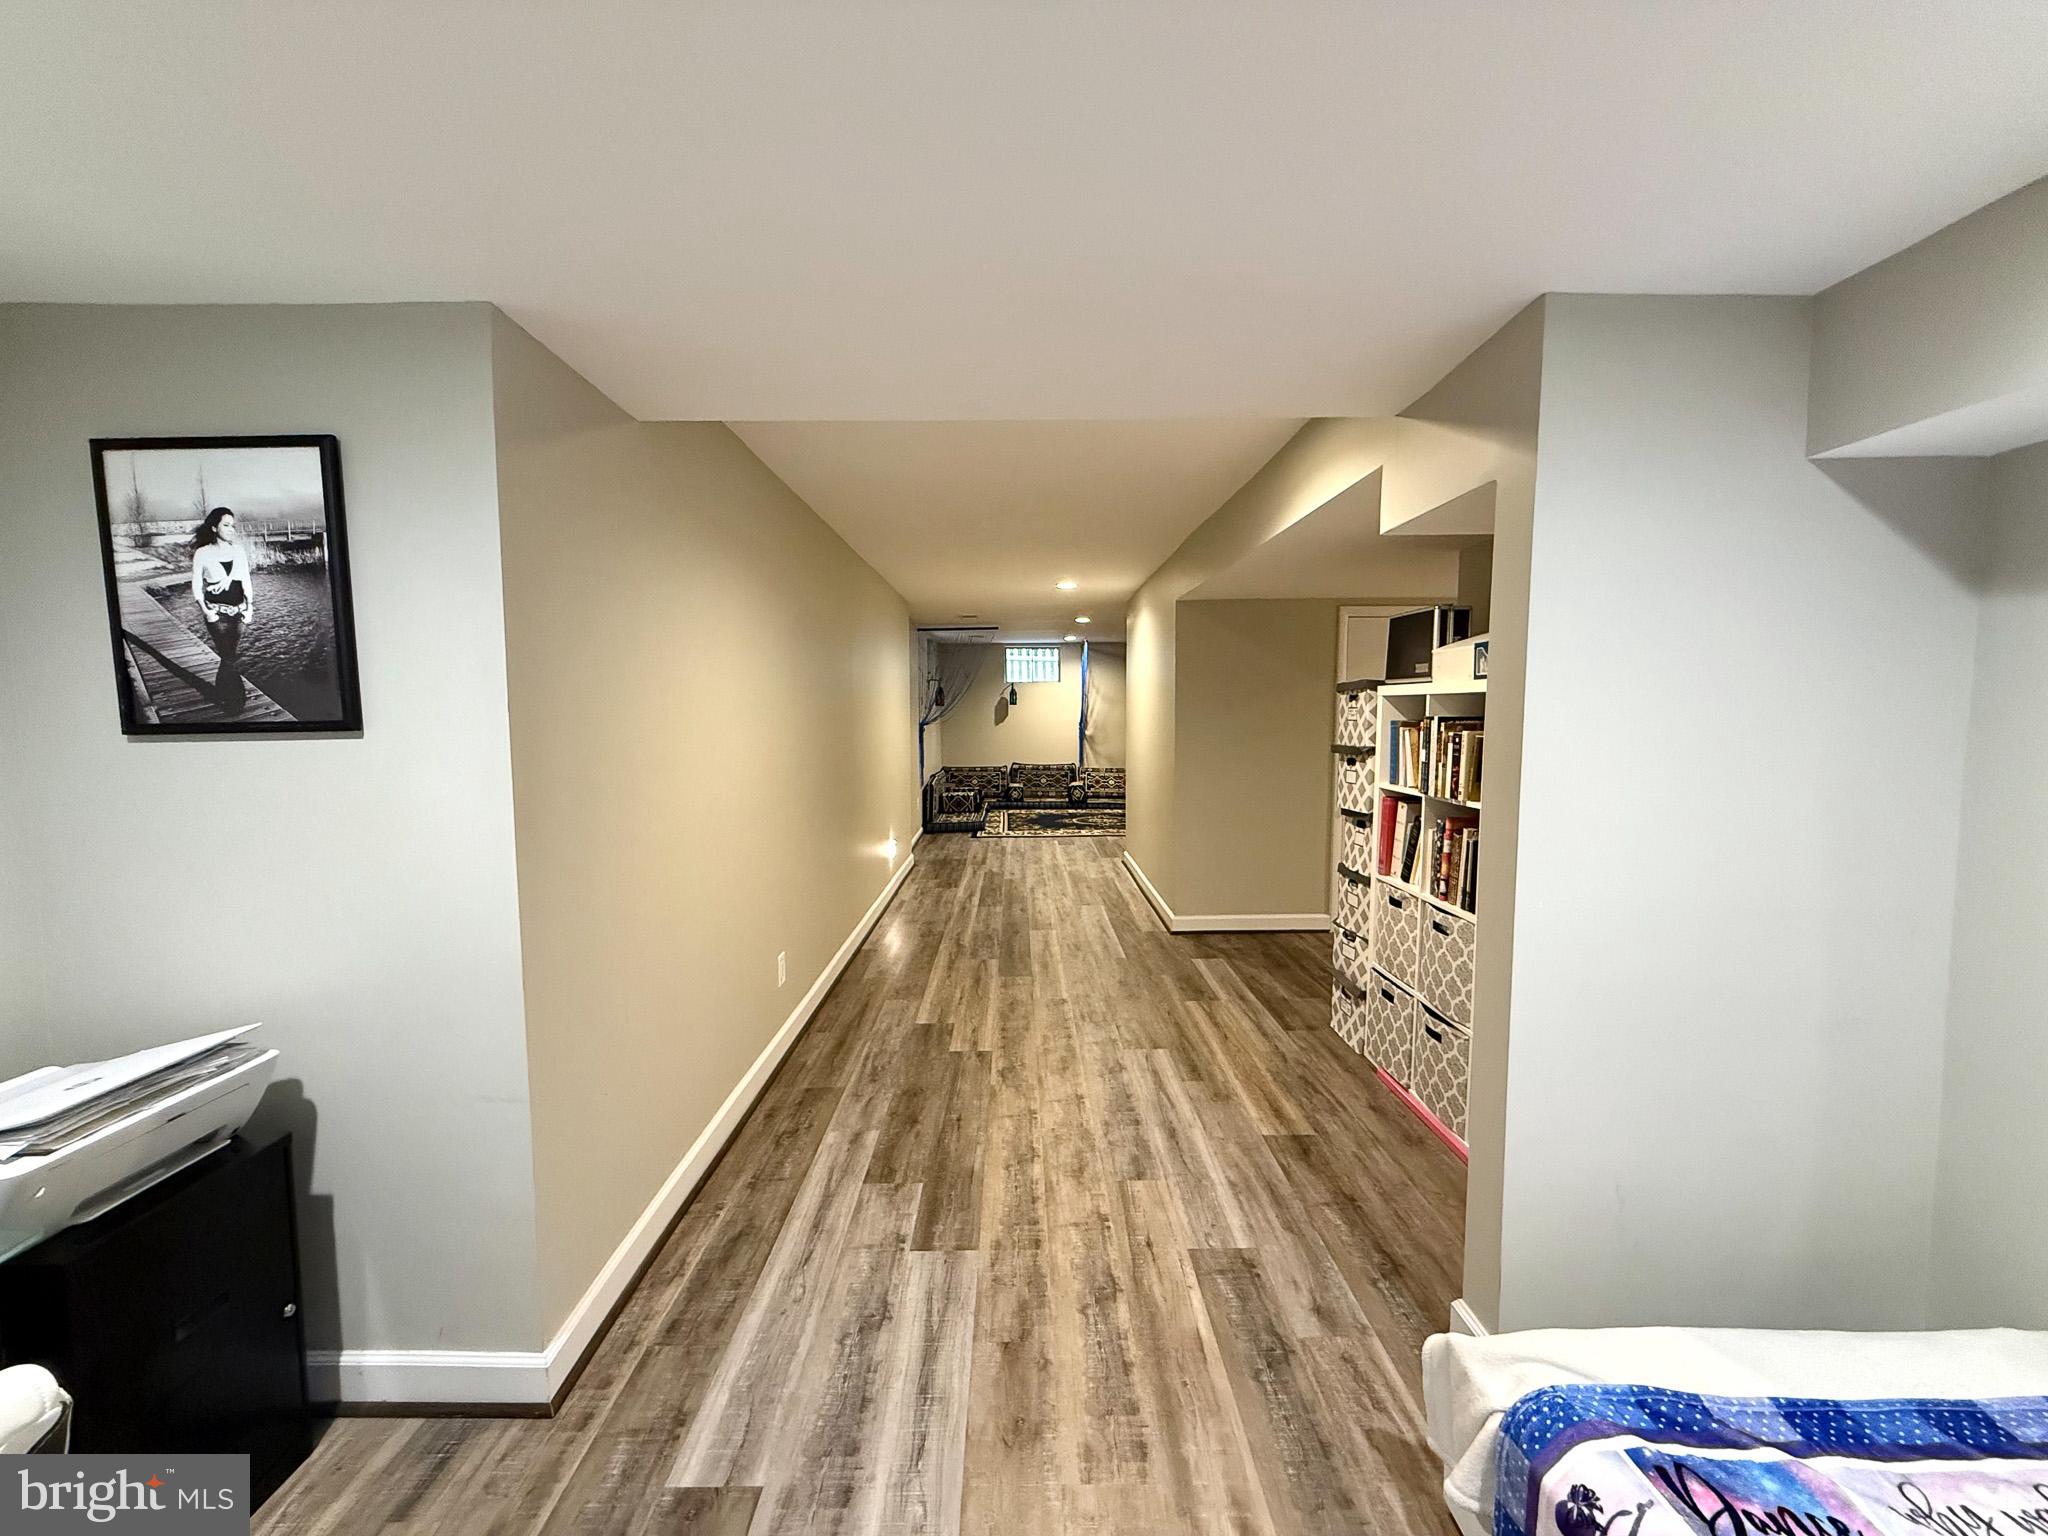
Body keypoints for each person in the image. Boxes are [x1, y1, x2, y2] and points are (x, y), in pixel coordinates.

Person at [190, 507, 254, 714]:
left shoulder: (238, 551)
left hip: (239, 613)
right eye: (226, 525)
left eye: (232, 525)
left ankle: (222, 694)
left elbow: (246, 581)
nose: (231, 529)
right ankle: (236, 702)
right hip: (216, 614)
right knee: (229, 657)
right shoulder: (203, 553)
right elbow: (196, 585)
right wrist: (206, 611)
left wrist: (250, 607)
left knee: (229, 656)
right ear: (214, 527)